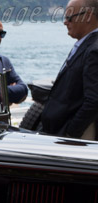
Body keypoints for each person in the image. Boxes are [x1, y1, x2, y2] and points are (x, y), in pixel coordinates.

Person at [42, 0, 98, 138]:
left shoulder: (94, 50)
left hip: (74, 137)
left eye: (69, 17)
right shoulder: (86, 45)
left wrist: (70, 133)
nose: (65, 22)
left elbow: (94, 100)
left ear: (88, 16)